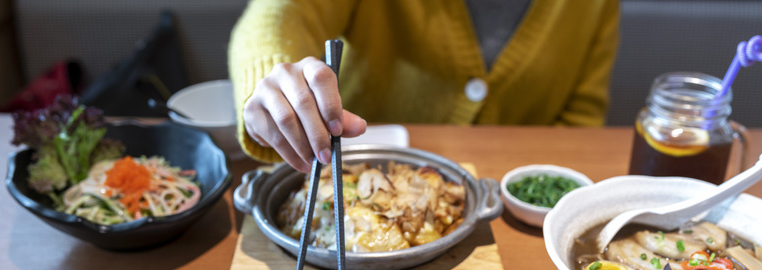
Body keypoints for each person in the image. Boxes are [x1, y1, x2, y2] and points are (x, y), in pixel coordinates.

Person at [229, 0, 619, 172]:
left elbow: (580, 120)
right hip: (349, 159)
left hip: (513, 203)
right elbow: (278, 13)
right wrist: (270, 80)